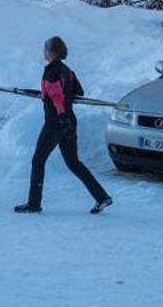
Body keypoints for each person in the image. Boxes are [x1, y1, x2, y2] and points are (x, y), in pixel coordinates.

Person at [15, 37, 112, 215]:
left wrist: (57, 108)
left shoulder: (51, 72)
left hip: (56, 123)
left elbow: (58, 98)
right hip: (69, 121)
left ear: (51, 51)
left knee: (38, 161)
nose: (43, 52)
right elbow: (78, 91)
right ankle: (101, 197)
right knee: (73, 162)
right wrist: (48, 95)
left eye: (45, 48)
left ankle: (34, 203)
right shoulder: (67, 70)